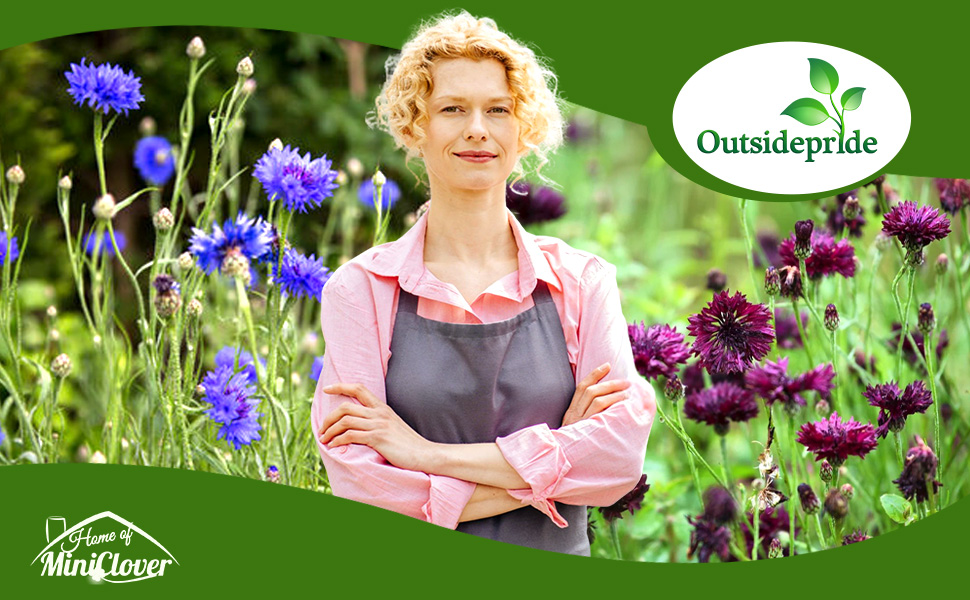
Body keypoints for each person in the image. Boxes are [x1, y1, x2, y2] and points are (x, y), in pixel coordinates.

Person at [311, 11, 656, 556]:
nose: (478, 128)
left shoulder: (582, 282)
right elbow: (363, 490)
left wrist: (422, 454)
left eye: (498, 109)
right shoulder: (361, 290)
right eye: (452, 108)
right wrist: (556, 464)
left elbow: (617, 460)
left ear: (524, 129)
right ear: (415, 127)